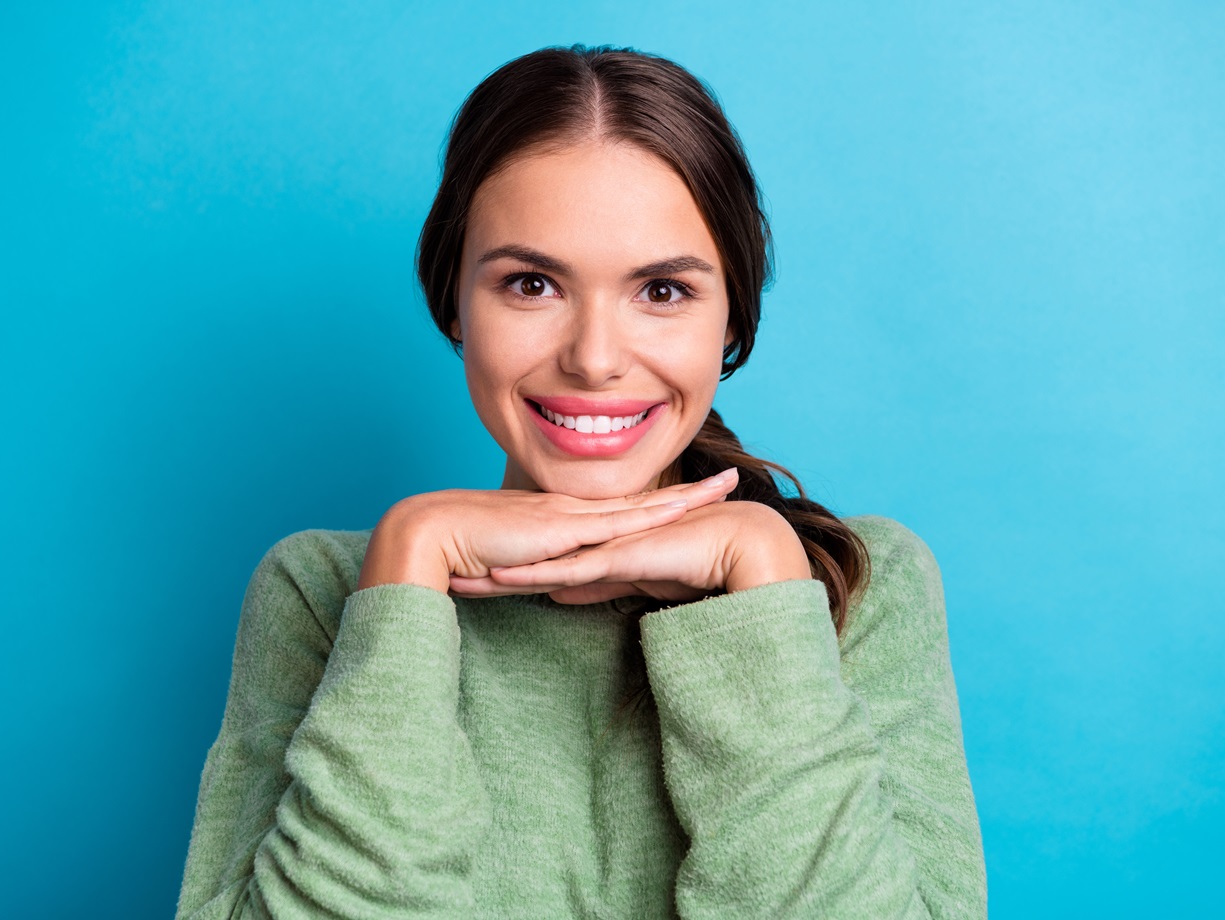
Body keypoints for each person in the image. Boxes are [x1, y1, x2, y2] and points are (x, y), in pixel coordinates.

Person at [175, 44, 987, 919]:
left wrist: (762, 579)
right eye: (531, 284)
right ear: (454, 302)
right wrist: (407, 564)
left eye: (663, 292)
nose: (595, 360)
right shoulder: (327, 592)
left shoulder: (855, 583)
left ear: (731, 318)